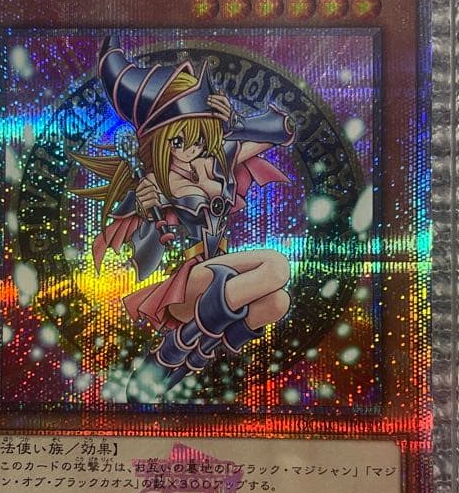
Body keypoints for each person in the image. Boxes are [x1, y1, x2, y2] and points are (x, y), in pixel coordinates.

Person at [70, 35, 295, 401]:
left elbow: (282, 130)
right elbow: (144, 230)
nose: (191, 149)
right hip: (192, 280)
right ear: (160, 142)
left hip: (221, 283)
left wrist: (235, 122)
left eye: (198, 138)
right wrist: (145, 207)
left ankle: (183, 360)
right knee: (277, 266)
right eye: (179, 141)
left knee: (278, 303)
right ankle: (174, 348)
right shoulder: (156, 183)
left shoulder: (218, 160)